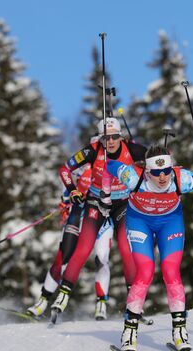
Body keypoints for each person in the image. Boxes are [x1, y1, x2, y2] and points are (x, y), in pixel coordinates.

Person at [105, 145, 193, 351]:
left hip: (170, 223)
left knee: (170, 271)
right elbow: (108, 166)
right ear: (147, 171)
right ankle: (129, 333)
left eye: (166, 171)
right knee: (145, 272)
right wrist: (105, 196)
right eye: (156, 173)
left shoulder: (183, 179)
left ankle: (180, 332)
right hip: (139, 222)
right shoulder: (132, 176)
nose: (162, 177)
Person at [49, 117, 146, 319]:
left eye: (115, 137)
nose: (110, 142)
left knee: (127, 248)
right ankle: (63, 293)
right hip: (96, 201)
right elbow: (65, 169)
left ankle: (134, 303)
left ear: (121, 136)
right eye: (106, 138)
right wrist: (72, 190)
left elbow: (159, 160)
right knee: (84, 247)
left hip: (122, 203)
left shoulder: (132, 149)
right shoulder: (92, 150)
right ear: (100, 139)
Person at [26, 152, 114, 320]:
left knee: (102, 257)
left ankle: (101, 304)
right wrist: (65, 200)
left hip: (103, 218)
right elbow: (66, 181)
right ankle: (42, 302)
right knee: (63, 255)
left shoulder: (114, 166)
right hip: (78, 214)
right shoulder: (82, 166)